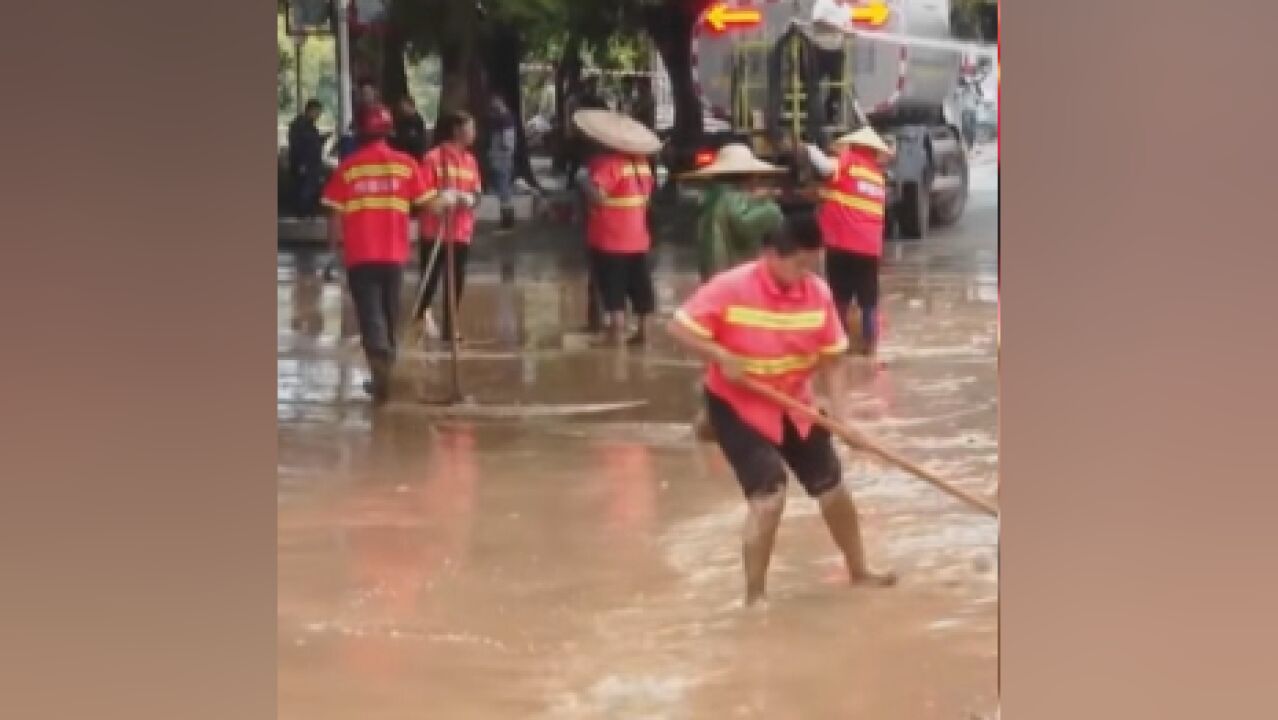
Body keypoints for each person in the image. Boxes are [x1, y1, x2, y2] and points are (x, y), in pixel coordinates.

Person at [667, 213, 897, 606]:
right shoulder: (732, 287)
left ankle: (859, 570)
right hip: (738, 403)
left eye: (812, 264)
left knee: (832, 486)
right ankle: (754, 598)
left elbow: (833, 360)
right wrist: (719, 353)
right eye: (799, 264)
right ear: (770, 254)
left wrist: (842, 419)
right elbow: (678, 327)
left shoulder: (818, 293)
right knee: (769, 494)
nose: (806, 273)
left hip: (794, 402)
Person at [320, 104, 435, 404]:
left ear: (359, 132)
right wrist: (457, 199)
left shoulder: (349, 167)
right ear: (390, 131)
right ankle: (385, 366)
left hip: (360, 254)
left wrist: (332, 251)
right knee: (389, 311)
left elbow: (333, 213)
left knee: (370, 313)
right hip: (394, 253)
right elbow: (428, 204)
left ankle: (380, 364)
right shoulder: (406, 165)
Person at [573, 108, 661, 347]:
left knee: (613, 288)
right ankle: (643, 332)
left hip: (610, 238)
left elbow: (599, 197)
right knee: (640, 285)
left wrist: (583, 181)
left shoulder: (608, 164)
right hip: (638, 237)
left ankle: (615, 333)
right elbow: (647, 198)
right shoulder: (643, 165)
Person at [806, 126, 894, 357]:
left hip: (841, 242)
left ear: (854, 146)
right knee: (869, 299)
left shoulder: (848, 162)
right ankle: (871, 347)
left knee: (839, 295)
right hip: (869, 247)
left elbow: (824, 167)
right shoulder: (877, 176)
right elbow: (849, 197)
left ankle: (839, 344)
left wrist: (808, 147)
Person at [411, 109, 483, 345]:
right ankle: (420, 318)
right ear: (457, 130)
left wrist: (470, 199)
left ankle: (450, 328)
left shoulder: (471, 161)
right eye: (470, 128)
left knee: (456, 281)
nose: (474, 133)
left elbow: (477, 192)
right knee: (429, 280)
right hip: (435, 230)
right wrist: (443, 197)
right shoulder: (433, 158)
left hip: (461, 230)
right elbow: (422, 193)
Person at [683, 144, 786, 282]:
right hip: (732, 272)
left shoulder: (713, 195)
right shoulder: (733, 197)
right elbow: (745, 224)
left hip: (713, 270)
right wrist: (770, 207)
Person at [288, 99, 328, 217]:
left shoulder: (310, 126)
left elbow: (311, 143)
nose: (318, 116)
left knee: (310, 189)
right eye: (317, 112)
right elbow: (297, 146)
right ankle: (303, 212)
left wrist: (321, 139)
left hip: (312, 163)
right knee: (305, 189)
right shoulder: (299, 126)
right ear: (310, 110)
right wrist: (301, 163)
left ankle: (308, 212)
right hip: (305, 164)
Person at [486, 94, 518, 232]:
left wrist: (501, 152)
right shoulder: (500, 118)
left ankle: (507, 221)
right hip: (499, 157)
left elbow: (507, 142)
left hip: (501, 158)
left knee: (504, 189)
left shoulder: (505, 119)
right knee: (503, 188)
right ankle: (507, 219)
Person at [390, 95, 427, 159]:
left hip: (412, 156)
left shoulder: (416, 121)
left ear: (410, 106)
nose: (401, 108)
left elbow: (411, 140)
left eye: (403, 106)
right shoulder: (401, 120)